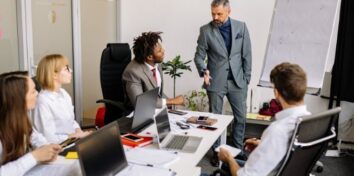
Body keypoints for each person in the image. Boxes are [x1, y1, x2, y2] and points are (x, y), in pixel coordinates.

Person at [217, 62, 310, 176]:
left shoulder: (277, 130)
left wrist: (228, 157)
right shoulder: (309, 120)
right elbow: (291, 150)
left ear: (276, 93)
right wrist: (264, 145)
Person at [194, 0, 252, 166]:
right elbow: (199, 56)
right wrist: (203, 70)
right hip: (215, 80)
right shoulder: (205, 30)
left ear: (228, 11)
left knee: (240, 118)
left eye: (219, 13)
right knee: (215, 120)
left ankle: (237, 150)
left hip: (238, 80)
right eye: (213, 13)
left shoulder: (241, 27)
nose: (215, 17)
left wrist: (247, 78)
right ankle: (218, 152)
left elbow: (247, 54)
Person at [0, 71, 61, 175]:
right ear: (18, 99)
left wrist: (47, 149)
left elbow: (36, 138)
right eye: (33, 91)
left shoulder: (21, 119)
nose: (37, 93)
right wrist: (35, 156)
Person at [32, 54, 90, 144]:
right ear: (54, 75)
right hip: (56, 148)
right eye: (66, 69)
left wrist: (79, 131)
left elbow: (71, 121)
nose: (71, 70)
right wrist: (74, 136)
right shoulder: (43, 101)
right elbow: (49, 138)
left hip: (71, 141)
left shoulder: (64, 93)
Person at [123, 31, 184, 108]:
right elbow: (140, 103)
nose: (163, 51)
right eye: (159, 51)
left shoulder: (157, 64)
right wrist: (171, 101)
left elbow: (158, 93)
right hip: (137, 115)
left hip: (156, 111)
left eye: (161, 48)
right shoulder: (133, 72)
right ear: (149, 57)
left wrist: (171, 104)